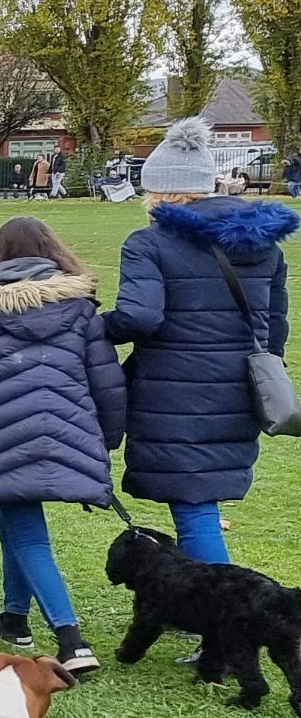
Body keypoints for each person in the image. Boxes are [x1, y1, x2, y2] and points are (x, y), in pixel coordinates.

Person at [0, 216, 125, 677]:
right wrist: (107, 436)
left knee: (25, 527)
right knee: (15, 516)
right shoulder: (80, 309)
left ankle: (72, 641)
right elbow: (107, 380)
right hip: (67, 427)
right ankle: (14, 619)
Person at [105, 114, 297, 566]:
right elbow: (276, 324)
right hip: (240, 386)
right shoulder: (265, 245)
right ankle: (209, 598)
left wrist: (93, 328)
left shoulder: (149, 243)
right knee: (198, 505)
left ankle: (228, 605)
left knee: (195, 513)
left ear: (160, 191)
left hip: (175, 390)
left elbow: (139, 316)